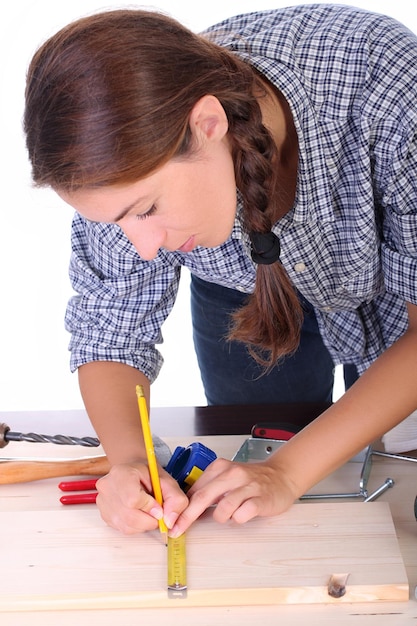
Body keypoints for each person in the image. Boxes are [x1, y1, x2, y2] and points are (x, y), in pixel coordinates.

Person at [24, 5, 417, 537]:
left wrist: (285, 472)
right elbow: (110, 333)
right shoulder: (115, 153)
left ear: (209, 125)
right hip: (245, 290)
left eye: (145, 210)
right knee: (254, 483)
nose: (142, 249)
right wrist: (131, 463)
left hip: (393, 291)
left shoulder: (390, 89)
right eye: (119, 222)